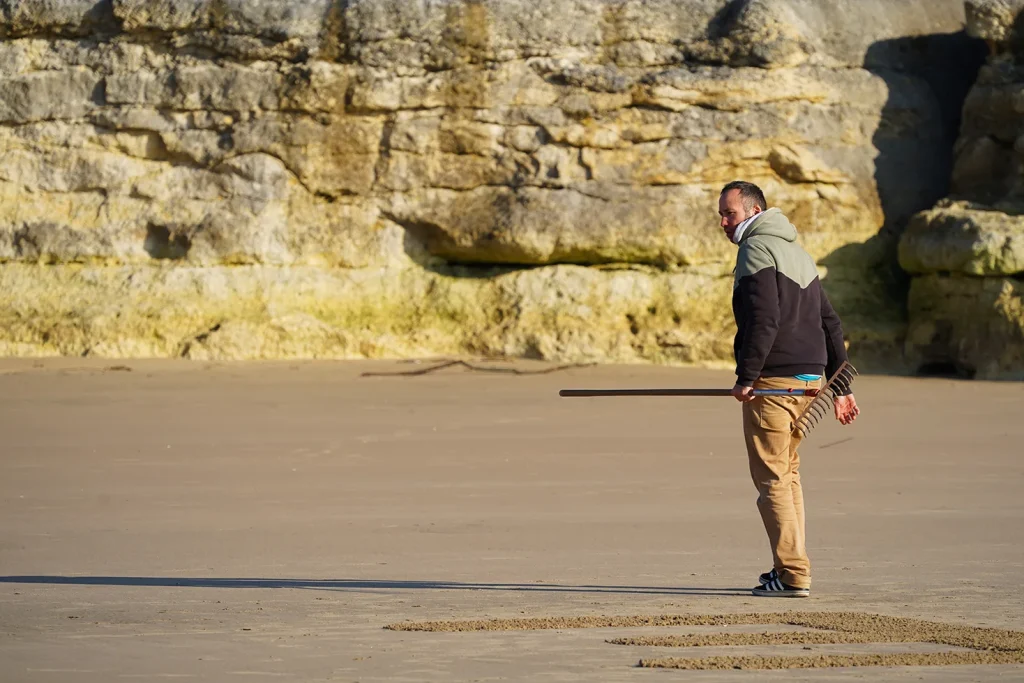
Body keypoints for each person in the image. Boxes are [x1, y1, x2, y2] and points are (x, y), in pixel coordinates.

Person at [717, 180, 860, 598]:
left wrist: (746, 378)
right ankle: (792, 567)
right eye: (722, 216)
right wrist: (842, 387)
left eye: (730, 214)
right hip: (812, 384)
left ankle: (794, 573)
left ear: (755, 211)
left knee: (773, 479)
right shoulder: (798, 252)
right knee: (788, 475)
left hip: (773, 385)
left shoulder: (755, 248)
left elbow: (765, 319)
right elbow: (830, 323)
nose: (724, 223)